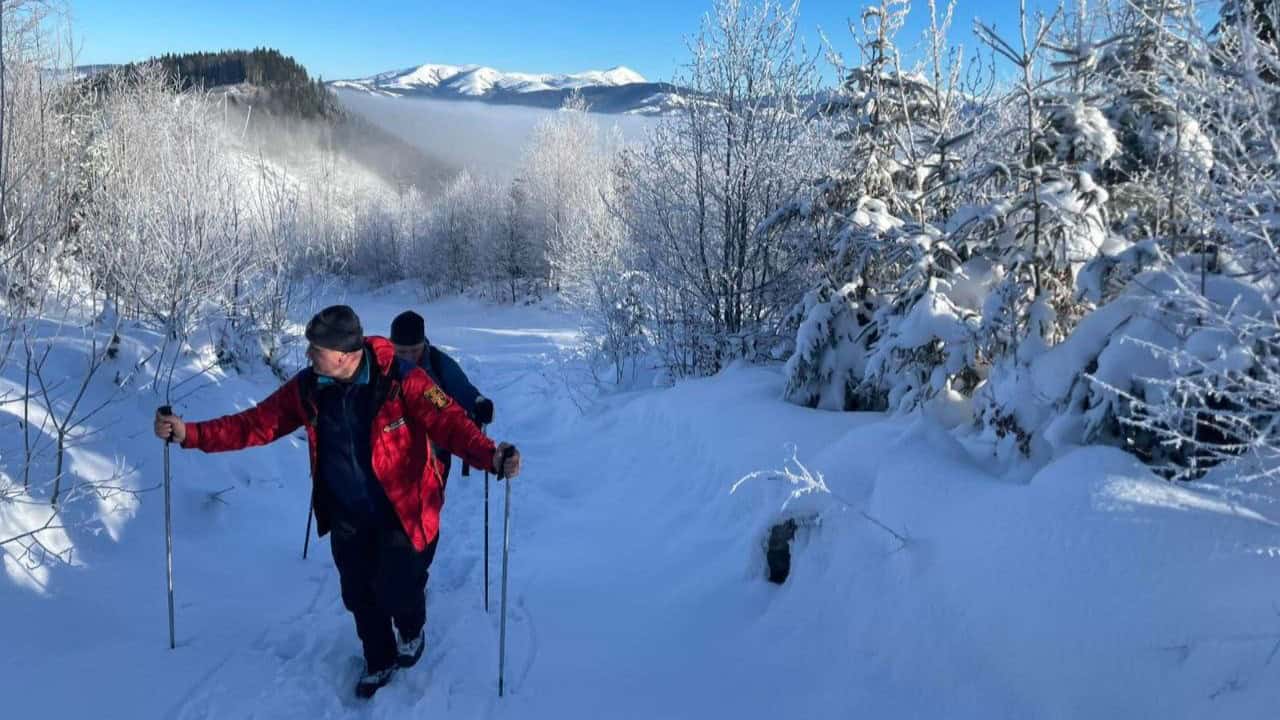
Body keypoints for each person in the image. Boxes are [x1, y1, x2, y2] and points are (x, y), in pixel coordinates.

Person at [153, 305, 522, 700]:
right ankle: (378, 660)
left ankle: (411, 629)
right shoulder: (309, 387)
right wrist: (189, 433)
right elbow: (255, 424)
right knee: (359, 594)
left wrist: (491, 456)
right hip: (347, 509)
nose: (308, 356)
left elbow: (450, 423)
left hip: (403, 507)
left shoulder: (402, 379)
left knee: (399, 586)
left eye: (316, 350)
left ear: (344, 355)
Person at [389, 310, 495, 484]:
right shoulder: (380, 365)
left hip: (433, 456)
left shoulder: (437, 365)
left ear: (423, 343)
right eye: (401, 351)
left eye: (414, 350)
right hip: (388, 454)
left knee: (426, 507)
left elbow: (458, 389)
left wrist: (478, 403)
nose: (409, 357)